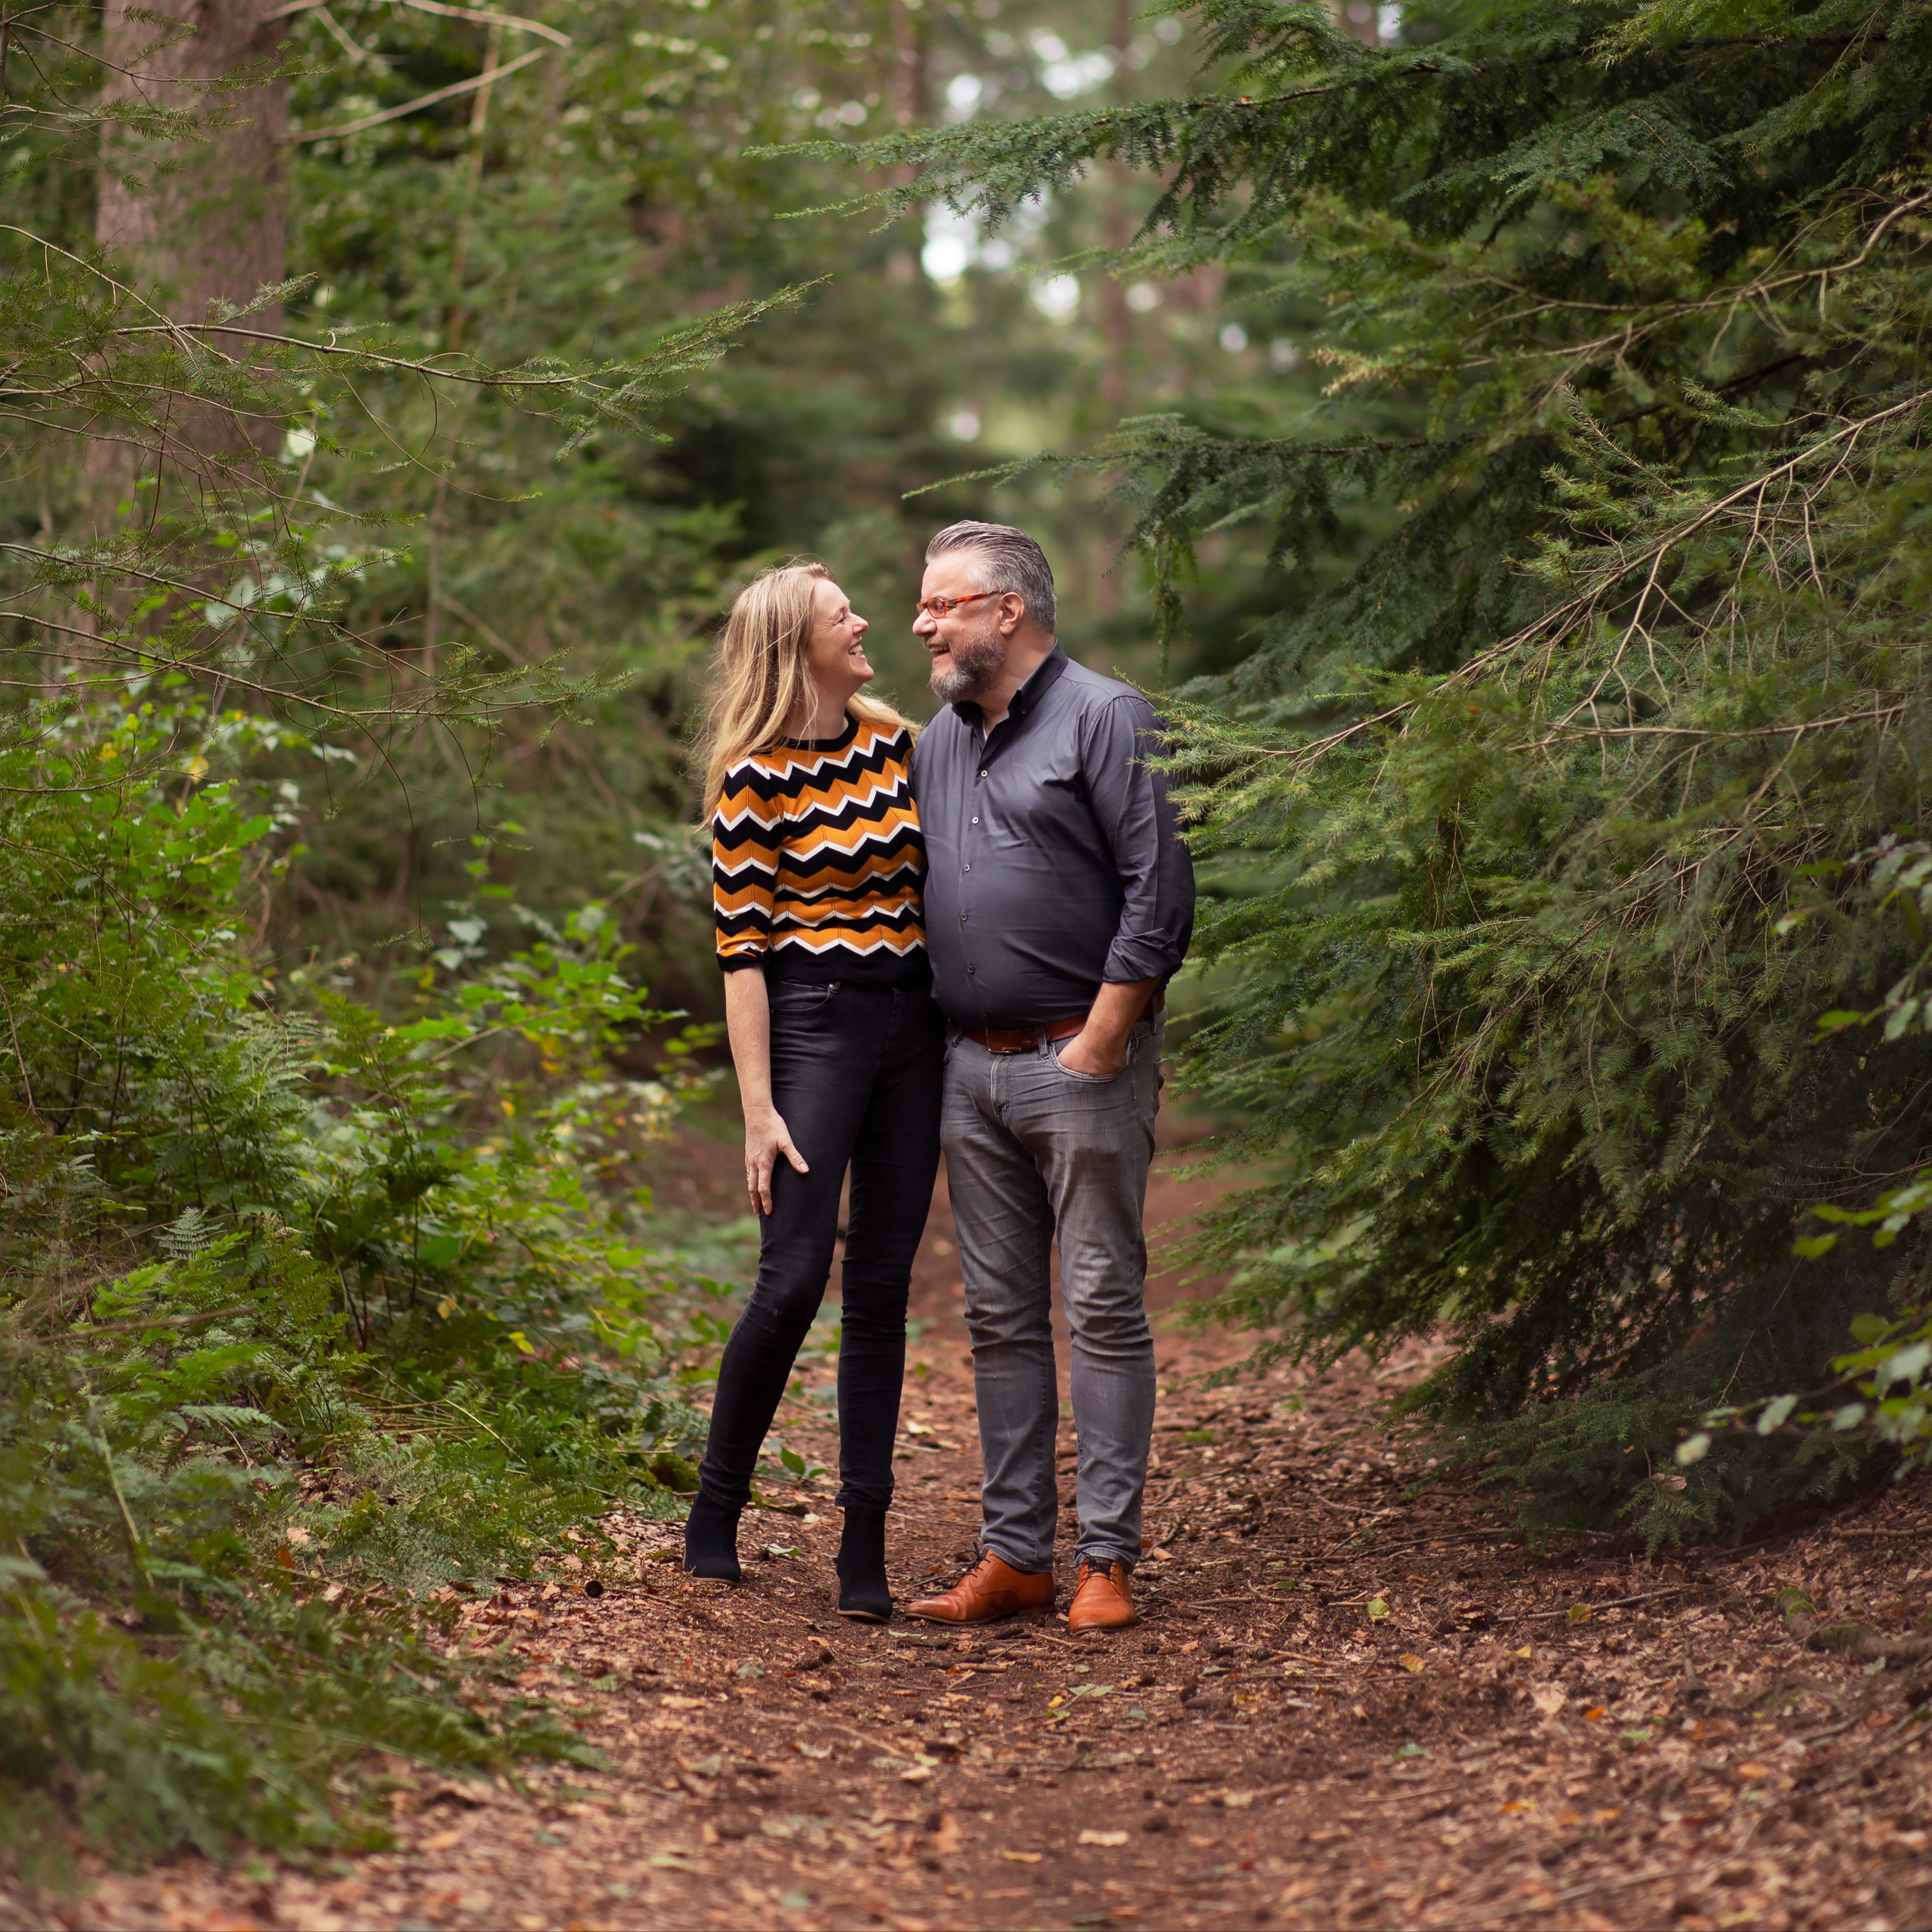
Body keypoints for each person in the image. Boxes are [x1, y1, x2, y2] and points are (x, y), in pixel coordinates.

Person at [903, 520, 1195, 1635]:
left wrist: (1106, 1037)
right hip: (970, 1071)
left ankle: (1107, 1561)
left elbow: (1158, 892)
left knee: (1103, 1307)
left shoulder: (1107, 717)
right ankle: (1016, 1555)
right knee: (1000, 1321)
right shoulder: (937, 738)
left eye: (942, 603)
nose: (922, 623)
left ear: (1008, 611)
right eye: (922, 605)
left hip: (1082, 1061)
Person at [686, 561, 943, 1621]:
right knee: (791, 1279)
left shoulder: (900, 744)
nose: (867, 622)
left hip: (913, 1028)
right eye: (846, 616)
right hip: (813, 1025)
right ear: (799, 645)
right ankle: (713, 1512)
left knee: (882, 1286)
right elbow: (741, 956)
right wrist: (759, 1107)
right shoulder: (752, 777)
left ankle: (863, 1545)